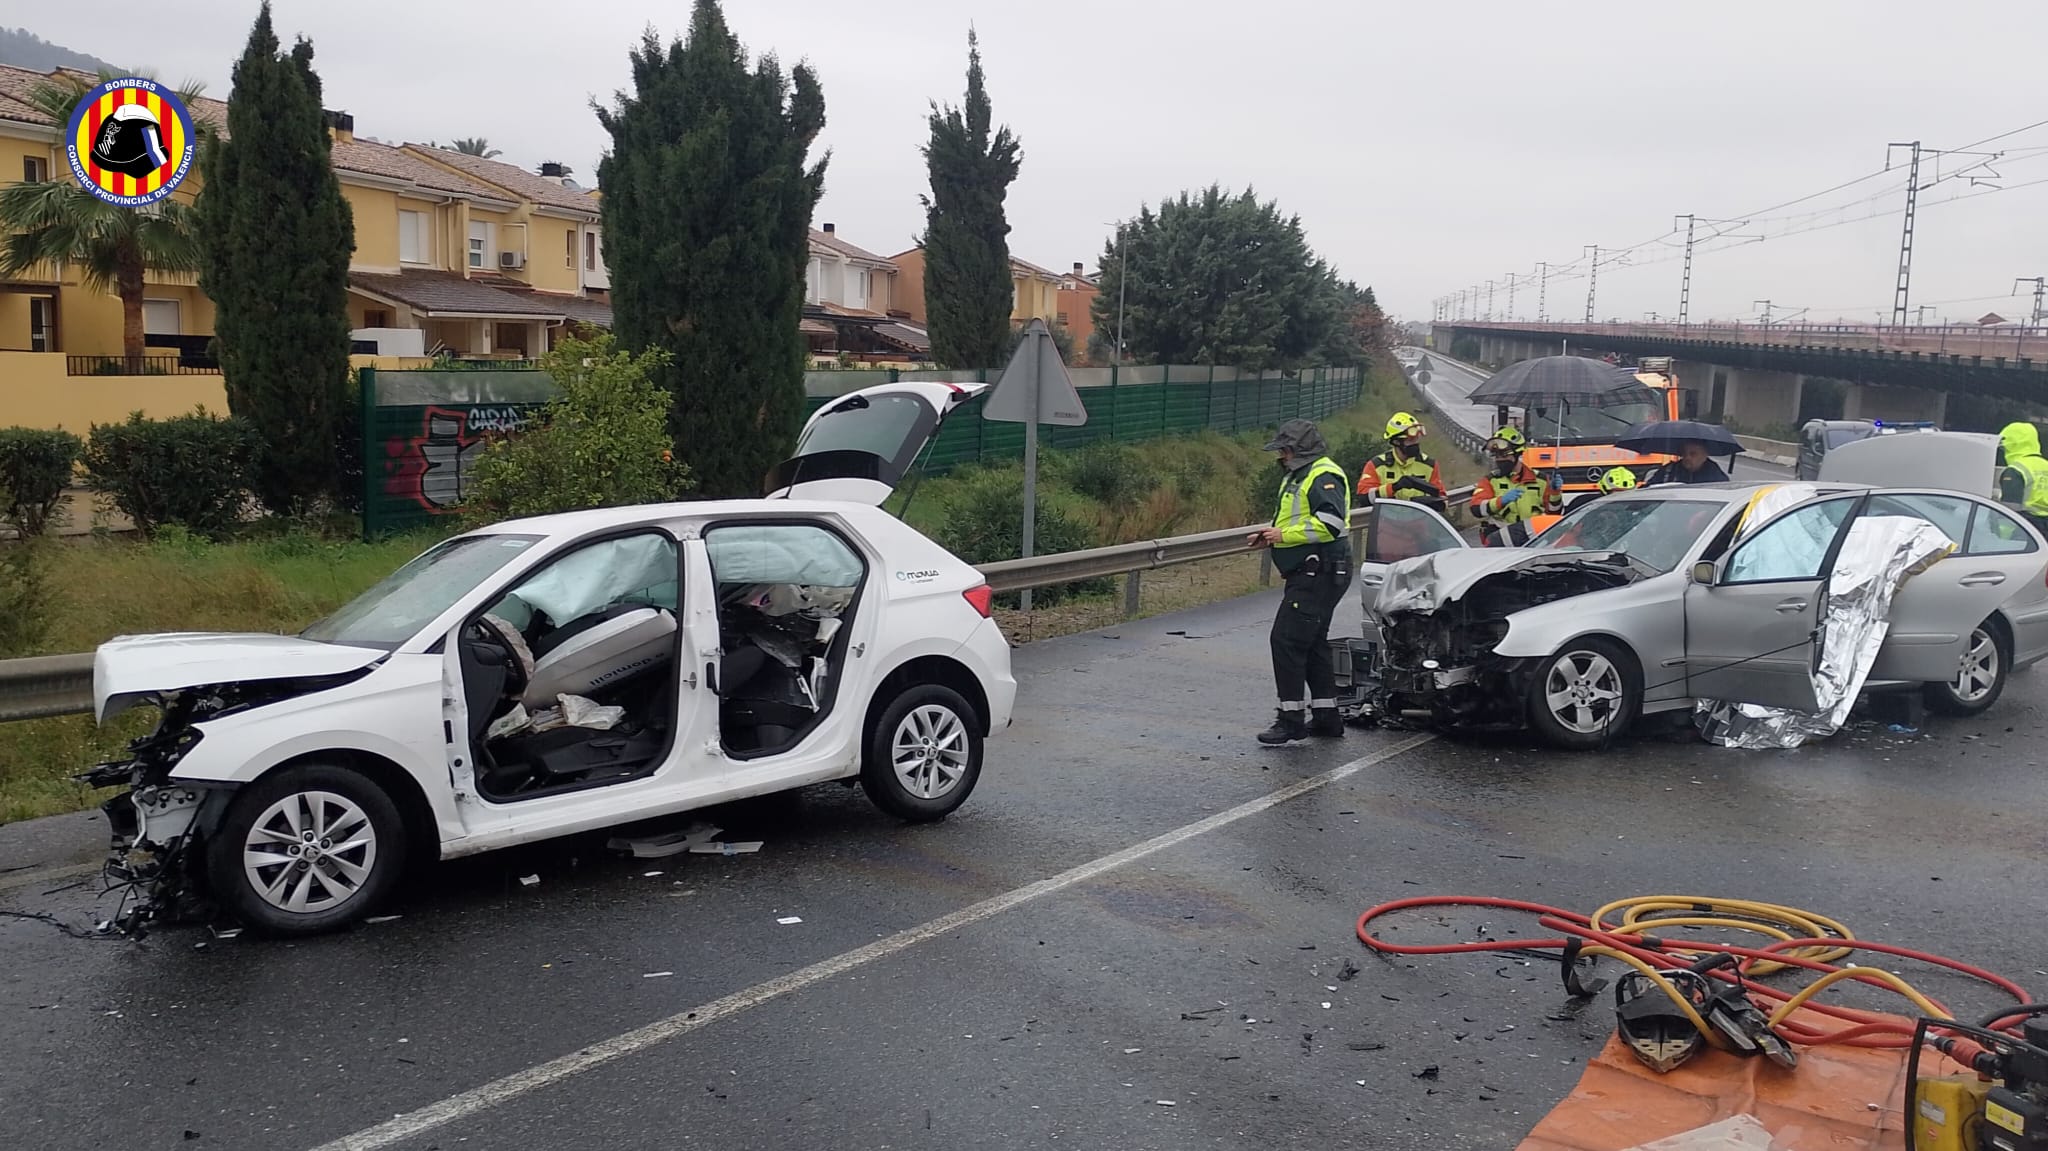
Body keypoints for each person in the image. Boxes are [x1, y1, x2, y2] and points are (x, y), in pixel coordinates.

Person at [1247, 419, 1353, 745]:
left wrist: (1282, 535)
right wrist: (1272, 535)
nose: (1280, 455)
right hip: (1315, 571)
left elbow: (1330, 523)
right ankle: (1326, 717)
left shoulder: (1322, 475)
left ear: (1298, 450)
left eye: (1284, 449)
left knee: (1286, 640)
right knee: (1312, 642)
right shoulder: (1300, 475)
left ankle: (1290, 720)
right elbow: (1297, 520)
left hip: (1318, 573)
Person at [1470, 426, 1561, 547]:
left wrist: (1555, 493)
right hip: (1500, 542)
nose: (1500, 460)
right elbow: (1476, 509)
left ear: (1517, 454)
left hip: (1533, 542)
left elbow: (1555, 514)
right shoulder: (1491, 480)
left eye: (1504, 455)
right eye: (1496, 456)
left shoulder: (1541, 480)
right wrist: (1500, 501)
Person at [1357, 412, 1447, 510]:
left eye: (1417, 439)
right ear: (1396, 442)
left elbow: (1443, 499)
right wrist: (1394, 487)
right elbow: (1364, 498)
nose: (1416, 444)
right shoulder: (1376, 466)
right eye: (1411, 440)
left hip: (1419, 523)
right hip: (1387, 523)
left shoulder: (1429, 465)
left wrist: (1430, 503)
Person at [1997, 421, 2048, 534]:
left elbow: (2009, 510)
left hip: (2026, 529)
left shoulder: (2015, 470)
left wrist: (2003, 538)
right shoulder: (2046, 465)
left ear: (2012, 444)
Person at [1643, 440, 1730, 485]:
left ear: (1704, 455)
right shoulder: (1669, 470)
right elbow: (1647, 490)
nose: (1687, 457)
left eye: (1693, 454)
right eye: (1684, 453)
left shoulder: (1715, 475)